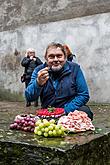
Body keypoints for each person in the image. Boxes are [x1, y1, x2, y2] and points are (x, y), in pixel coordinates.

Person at [25, 43, 93, 120]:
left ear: (65, 57)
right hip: (49, 112)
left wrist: (65, 110)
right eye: (51, 57)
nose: (56, 60)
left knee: (85, 111)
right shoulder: (39, 71)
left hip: (69, 111)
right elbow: (29, 97)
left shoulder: (75, 68)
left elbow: (83, 94)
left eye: (59, 56)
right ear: (46, 58)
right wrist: (38, 83)